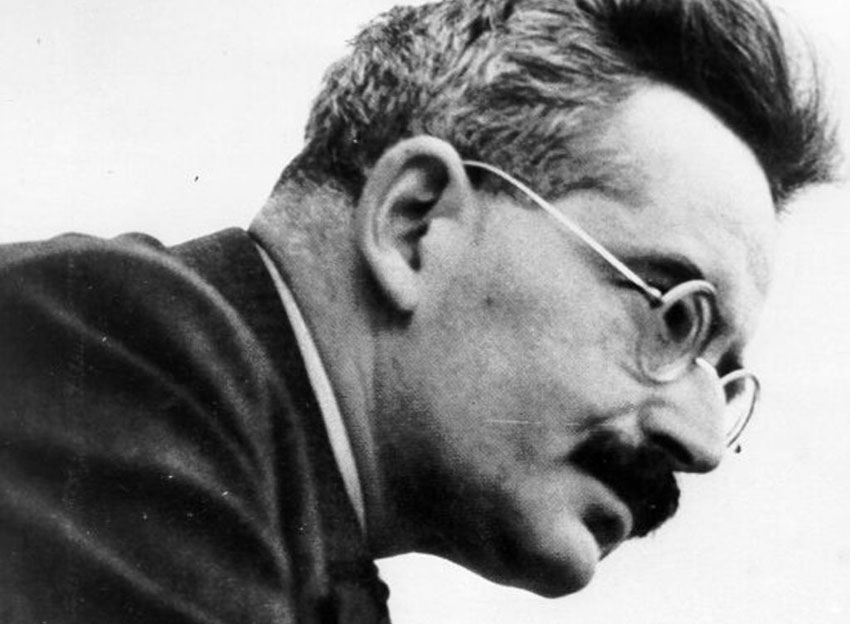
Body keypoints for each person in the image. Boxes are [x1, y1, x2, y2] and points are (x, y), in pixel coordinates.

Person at [0, 0, 838, 622]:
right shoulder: (103, 351)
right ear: (414, 224)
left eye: (723, 377)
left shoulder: (296, 540)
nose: (704, 444)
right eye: (675, 318)